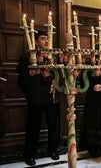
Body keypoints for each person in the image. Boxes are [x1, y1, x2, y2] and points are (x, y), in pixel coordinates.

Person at [17, 30, 59, 166]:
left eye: (47, 38)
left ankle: (53, 150)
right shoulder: (26, 57)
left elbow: (57, 75)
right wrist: (31, 74)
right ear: (35, 41)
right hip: (35, 97)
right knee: (33, 126)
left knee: (53, 124)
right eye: (42, 38)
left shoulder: (52, 56)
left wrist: (50, 75)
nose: (46, 41)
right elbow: (21, 79)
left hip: (50, 96)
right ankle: (30, 155)